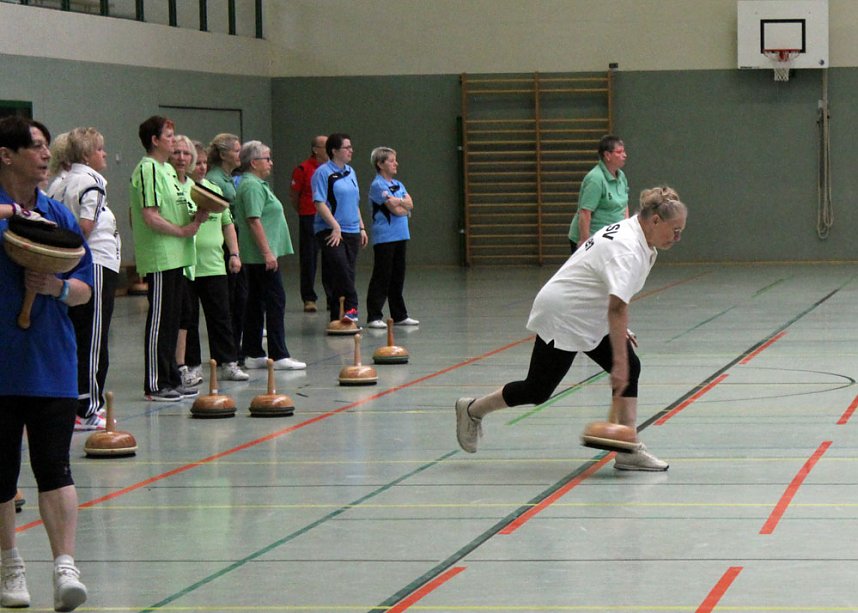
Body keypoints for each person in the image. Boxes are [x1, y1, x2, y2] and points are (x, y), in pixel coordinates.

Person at [455, 186, 687, 472]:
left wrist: (618, 335)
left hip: (589, 312)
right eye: (675, 230)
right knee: (538, 389)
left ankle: (627, 449)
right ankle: (472, 409)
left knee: (631, 368)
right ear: (655, 220)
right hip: (564, 313)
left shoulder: (639, 236)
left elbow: (611, 294)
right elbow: (617, 308)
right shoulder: (627, 249)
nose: (678, 238)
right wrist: (618, 357)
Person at [0, 116, 91, 611]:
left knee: (55, 467)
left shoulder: (58, 215)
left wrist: (55, 287)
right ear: (5, 155)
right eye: (34, 146)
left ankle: (64, 566)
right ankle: (9, 563)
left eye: (45, 146)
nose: (43, 154)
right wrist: (13, 212)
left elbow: (84, 288)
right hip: (2, 361)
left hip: (51, 360)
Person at [47, 127, 121, 431]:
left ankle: (75, 402)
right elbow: (85, 225)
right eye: (100, 150)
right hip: (95, 263)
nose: (105, 155)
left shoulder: (58, 182)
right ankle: (87, 407)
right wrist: (74, 253)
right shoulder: (92, 181)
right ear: (87, 155)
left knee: (78, 335)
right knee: (93, 338)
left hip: (73, 267)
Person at [129, 116, 208, 402]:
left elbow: (175, 209)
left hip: (178, 257)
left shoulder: (167, 171)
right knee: (160, 321)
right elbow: (150, 215)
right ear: (154, 140)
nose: (174, 141)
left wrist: (197, 217)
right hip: (161, 256)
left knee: (173, 321)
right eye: (169, 136)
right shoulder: (148, 169)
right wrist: (181, 231)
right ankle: (155, 383)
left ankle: (172, 377)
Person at [174, 139, 249, 383]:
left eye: (205, 163)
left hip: (215, 265)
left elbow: (227, 224)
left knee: (221, 317)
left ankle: (228, 362)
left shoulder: (213, 189)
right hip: (188, 266)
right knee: (189, 319)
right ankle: (193, 364)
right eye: (198, 163)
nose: (202, 167)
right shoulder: (180, 189)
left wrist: (234, 253)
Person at [233, 140, 305, 370]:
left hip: (260, 256)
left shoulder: (255, 184)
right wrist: (267, 252)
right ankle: (279, 353)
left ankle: (253, 351)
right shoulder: (252, 186)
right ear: (254, 162)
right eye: (267, 159)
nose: (271, 163)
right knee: (275, 301)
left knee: (256, 302)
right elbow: (253, 220)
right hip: (261, 256)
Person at [311, 133, 367, 324]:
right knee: (341, 269)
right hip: (330, 230)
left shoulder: (351, 172)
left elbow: (354, 202)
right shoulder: (323, 173)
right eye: (347, 148)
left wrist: (361, 227)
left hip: (352, 230)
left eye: (351, 147)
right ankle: (352, 307)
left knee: (344, 274)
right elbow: (319, 202)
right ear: (334, 151)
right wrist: (335, 226)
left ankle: (337, 317)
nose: (351, 151)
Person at [364, 147, 419, 329]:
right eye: (391, 161)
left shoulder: (398, 184)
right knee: (382, 275)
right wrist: (402, 205)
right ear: (380, 164)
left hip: (401, 234)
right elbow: (395, 210)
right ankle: (374, 315)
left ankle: (399, 314)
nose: (396, 163)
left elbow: (410, 204)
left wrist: (401, 202)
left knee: (398, 275)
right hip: (385, 237)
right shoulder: (378, 185)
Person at [205, 133, 246, 364]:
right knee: (229, 300)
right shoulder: (215, 180)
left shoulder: (229, 178)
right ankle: (226, 352)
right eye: (236, 150)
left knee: (239, 298)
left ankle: (234, 347)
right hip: (222, 238)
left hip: (234, 234)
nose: (240, 155)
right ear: (223, 154)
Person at [568, 135, 629, 253]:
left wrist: (625, 230)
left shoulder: (621, 176)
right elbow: (585, 212)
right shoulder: (595, 179)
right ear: (607, 155)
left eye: (624, 151)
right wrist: (585, 242)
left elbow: (624, 205)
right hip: (593, 239)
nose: (624, 155)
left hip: (610, 238)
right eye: (619, 152)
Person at [289, 135, 328, 313]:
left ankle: (332, 297)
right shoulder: (303, 169)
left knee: (331, 259)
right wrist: (303, 211)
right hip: (309, 217)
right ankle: (309, 298)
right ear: (315, 149)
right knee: (309, 259)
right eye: (325, 146)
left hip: (329, 218)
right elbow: (294, 195)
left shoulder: (332, 169)